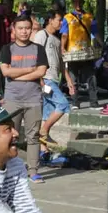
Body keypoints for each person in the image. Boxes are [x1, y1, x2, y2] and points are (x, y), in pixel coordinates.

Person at [0, 14, 49, 184]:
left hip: (33, 99)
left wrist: (17, 76)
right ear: (14, 30)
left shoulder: (38, 49)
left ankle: (33, 171)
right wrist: (29, 70)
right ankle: (6, 170)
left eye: (27, 28)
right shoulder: (7, 49)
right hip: (12, 99)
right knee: (8, 136)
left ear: (32, 29)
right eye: (20, 28)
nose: (24, 31)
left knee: (33, 136)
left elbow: (41, 72)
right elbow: (6, 72)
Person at [32, 9, 74, 152]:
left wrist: (68, 80)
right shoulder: (41, 35)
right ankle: (43, 131)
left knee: (47, 113)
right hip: (46, 79)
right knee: (62, 104)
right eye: (59, 20)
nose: (61, 23)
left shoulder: (56, 40)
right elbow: (35, 57)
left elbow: (61, 63)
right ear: (50, 20)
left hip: (55, 79)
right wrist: (40, 79)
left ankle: (43, 151)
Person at [61, 0, 100, 109]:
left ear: (83, 2)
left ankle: (94, 102)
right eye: (75, 2)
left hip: (86, 52)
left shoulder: (89, 17)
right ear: (72, 3)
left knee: (91, 77)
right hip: (72, 53)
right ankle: (75, 102)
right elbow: (64, 34)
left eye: (80, 1)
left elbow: (95, 32)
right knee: (73, 78)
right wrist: (62, 47)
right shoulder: (67, 17)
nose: (78, 4)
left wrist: (100, 43)